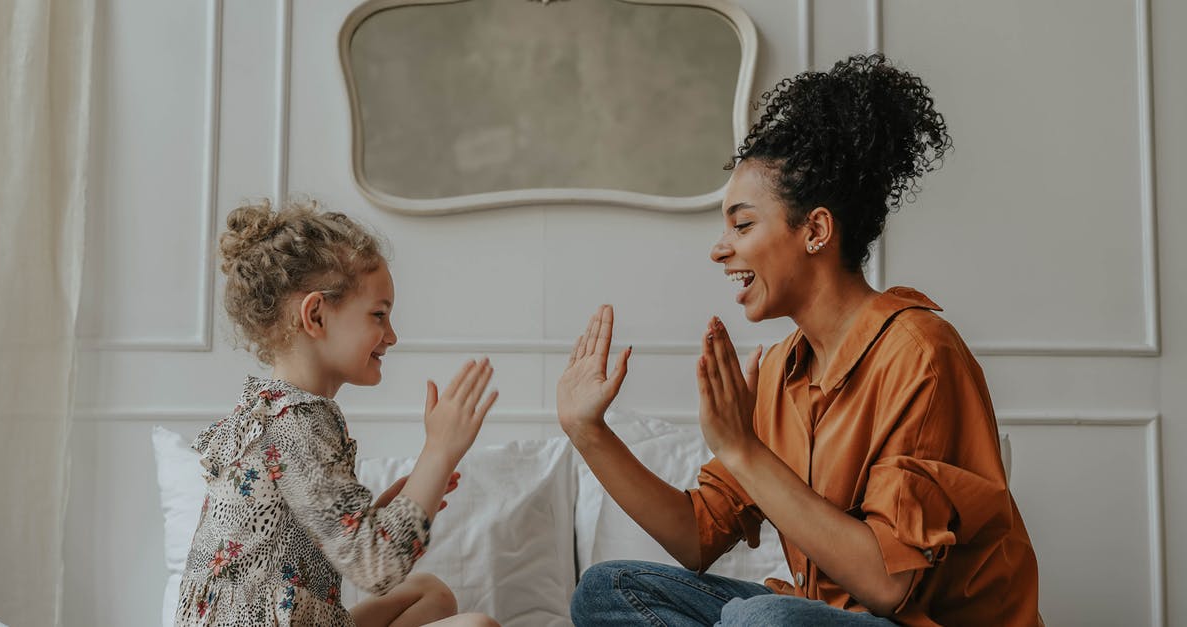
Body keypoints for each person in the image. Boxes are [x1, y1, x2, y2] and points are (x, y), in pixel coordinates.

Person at [558, 54, 1041, 626]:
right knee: (607, 589)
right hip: (820, 618)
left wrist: (743, 449)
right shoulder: (782, 369)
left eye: (742, 225)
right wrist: (588, 431)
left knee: (764, 619)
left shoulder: (921, 354)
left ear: (815, 230)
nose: (718, 249)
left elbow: (888, 585)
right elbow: (696, 535)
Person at [176, 199, 500, 627]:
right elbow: (376, 567)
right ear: (315, 315)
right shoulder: (296, 422)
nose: (392, 336)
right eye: (378, 315)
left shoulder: (273, 409)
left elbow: (315, 541)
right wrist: (439, 451)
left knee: (431, 594)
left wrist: (386, 512)